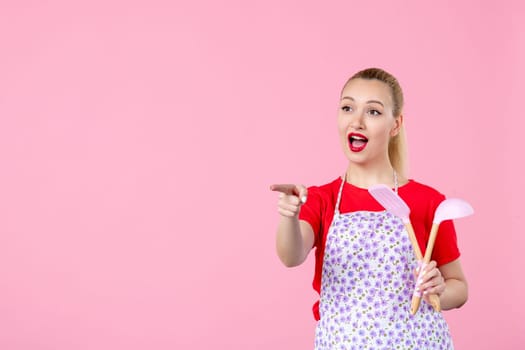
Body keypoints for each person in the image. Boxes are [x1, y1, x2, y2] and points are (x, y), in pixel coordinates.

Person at [270, 68, 468, 349]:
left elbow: (459, 287)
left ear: (395, 125)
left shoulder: (429, 201)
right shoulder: (321, 199)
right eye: (347, 107)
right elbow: (291, 256)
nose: (357, 121)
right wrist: (288, 216)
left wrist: (440, 291)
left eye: (373, 112)